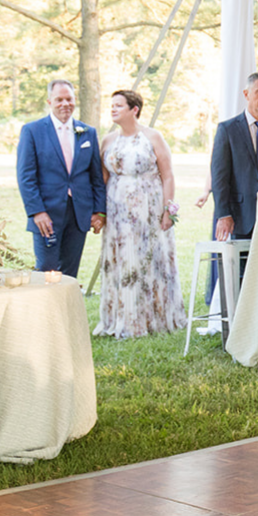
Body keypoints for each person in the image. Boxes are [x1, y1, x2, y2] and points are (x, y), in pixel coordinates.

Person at [95, 90, 186, 339]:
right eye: (111, 105)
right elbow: (102, 178)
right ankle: (121, 318)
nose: (112, 109)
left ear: (134, 110)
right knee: (121, 260)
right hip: (117, 212)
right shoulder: (108, 141)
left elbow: (167, 175)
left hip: (148, 209)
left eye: (118, 105)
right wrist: (100, 213)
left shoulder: (152, 137)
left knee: (148, 260)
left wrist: (168, 210)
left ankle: (153, 316)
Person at [16, 79, 106, 277]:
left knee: (70, 274)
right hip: (46, 214)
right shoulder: (32, 131)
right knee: (46, 271)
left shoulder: (88, 133)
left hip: (79, 213)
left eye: (69, 99)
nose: (65, 104)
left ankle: (67, 308)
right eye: (59, 99)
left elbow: (96, 177)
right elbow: (25, 177)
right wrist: (37, 212)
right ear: (49, 101)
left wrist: (99, 211)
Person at [210, 73, 258, 243]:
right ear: (246, 94)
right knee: (244, 269)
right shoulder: (228, 130)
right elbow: (219, 176)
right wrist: (223, 214)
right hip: (243, 215)